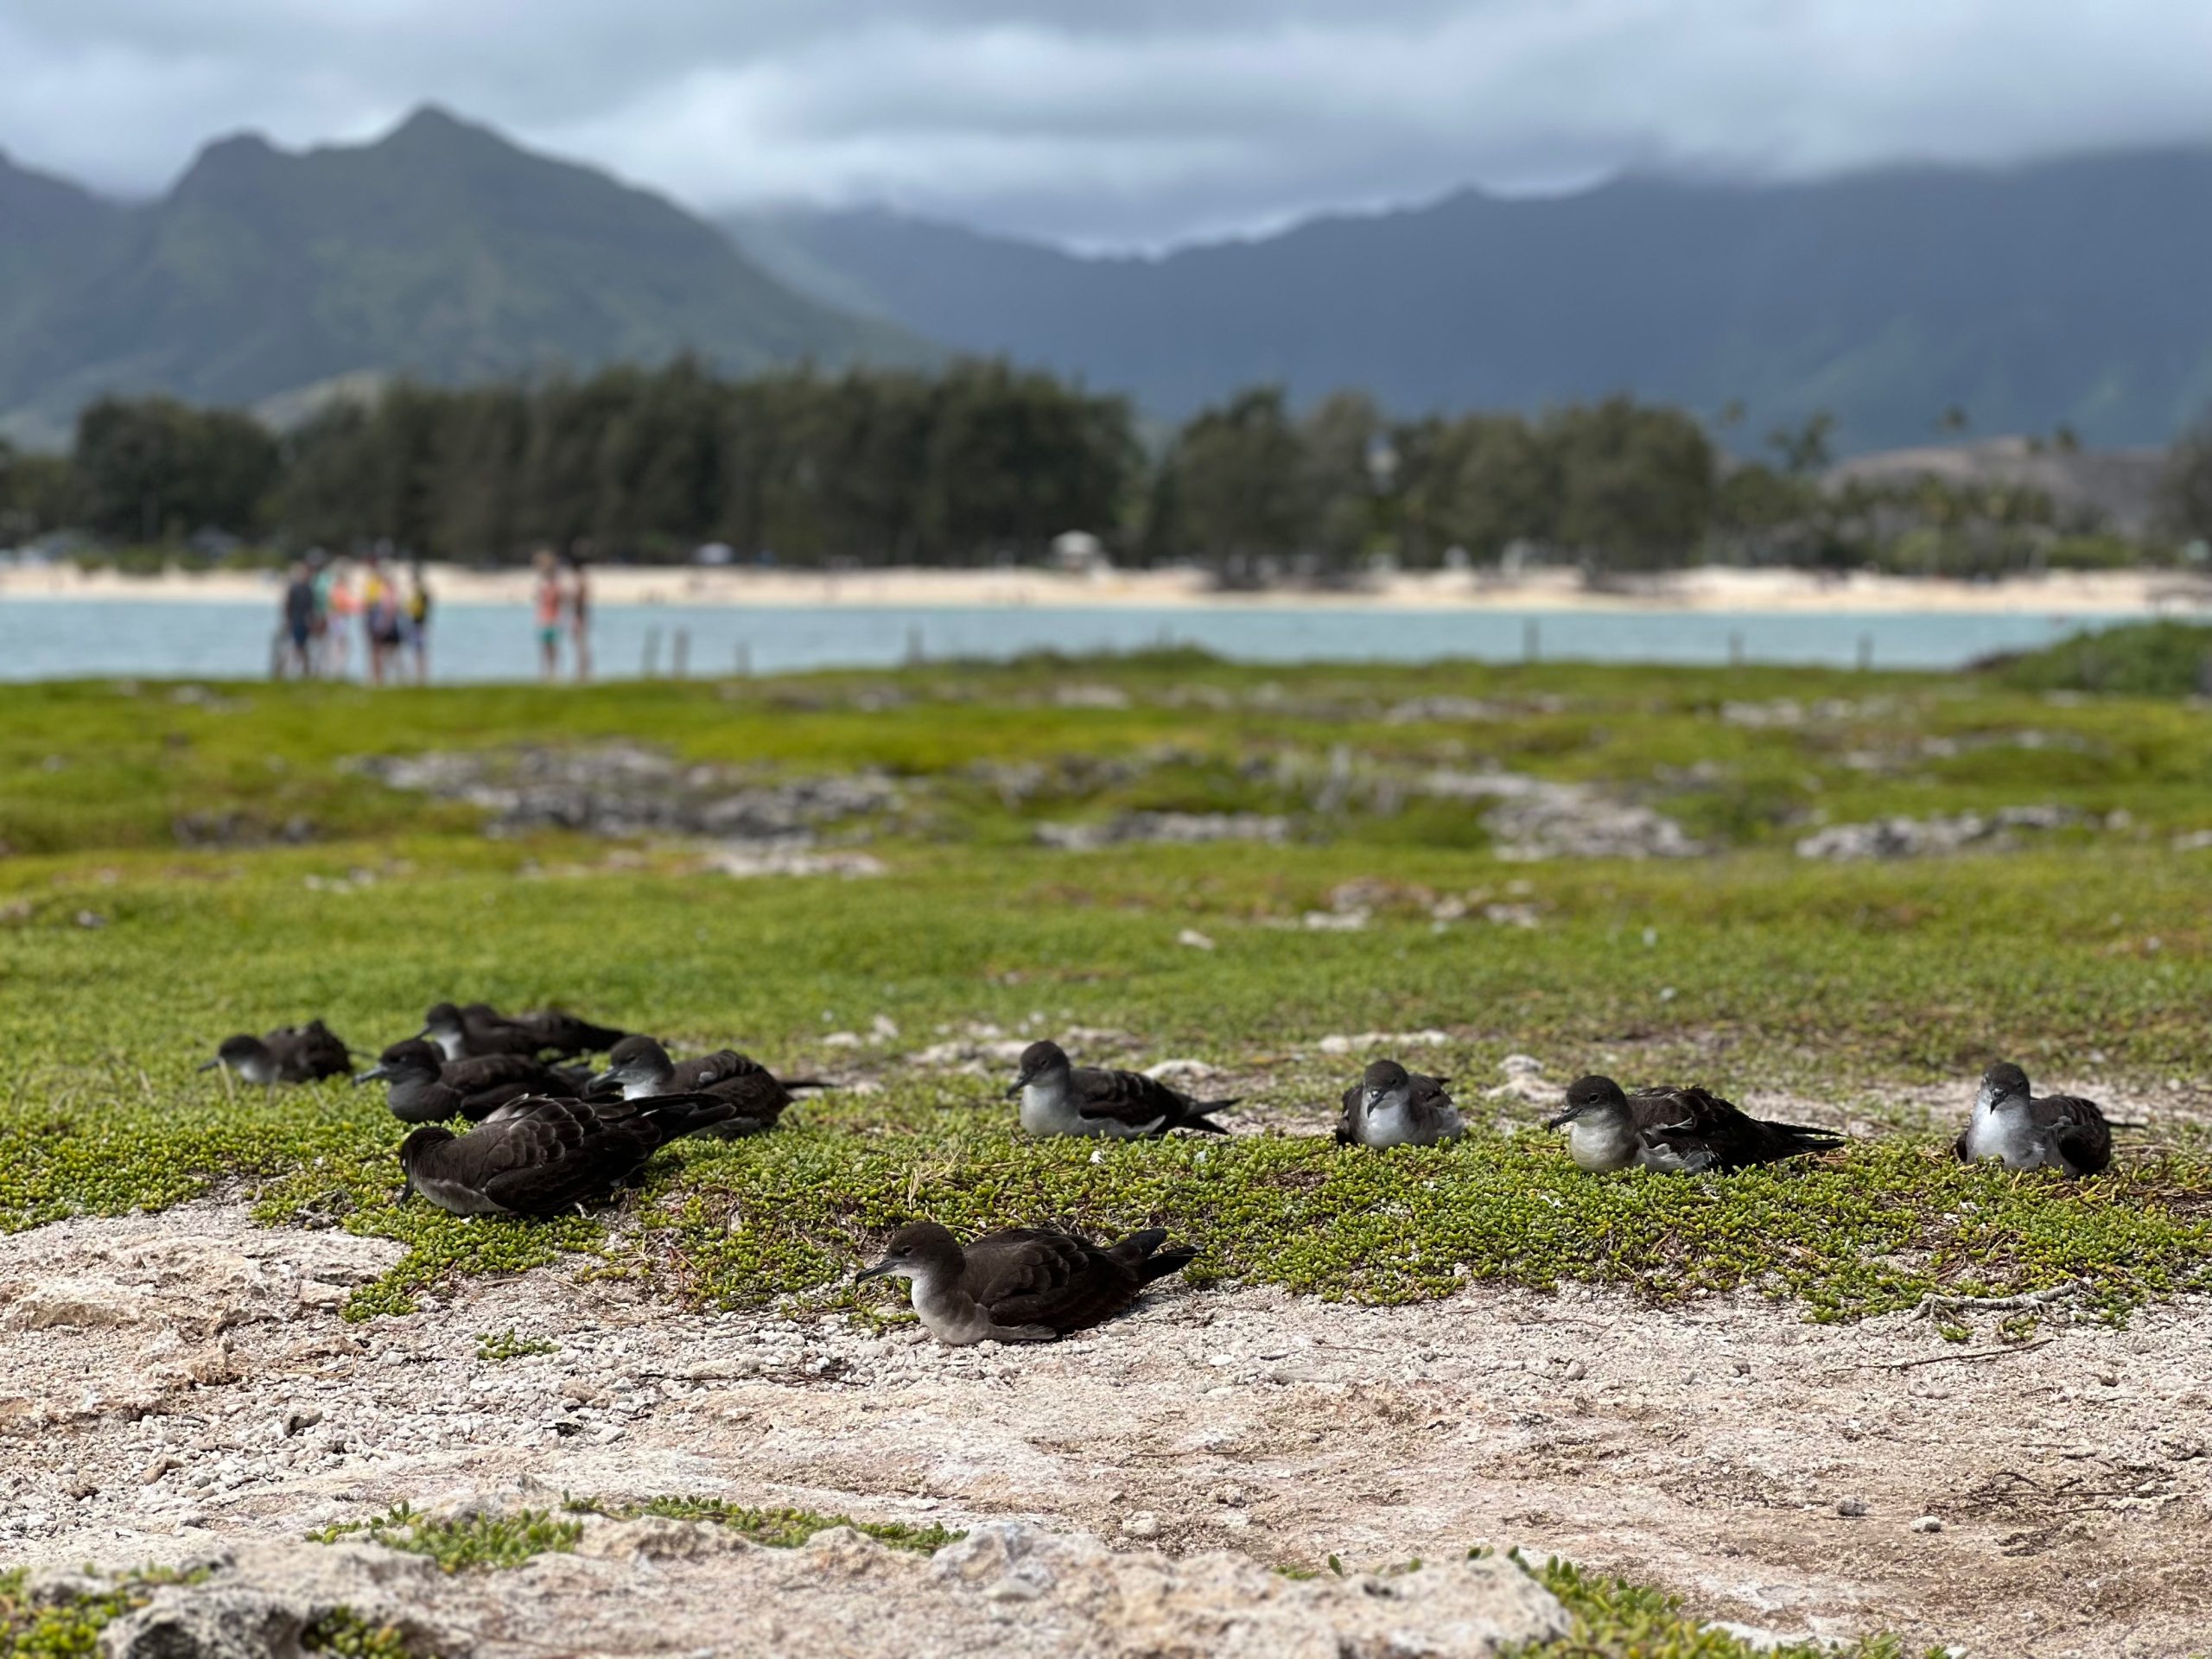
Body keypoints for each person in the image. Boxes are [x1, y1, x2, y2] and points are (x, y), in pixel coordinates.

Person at [361, 554, 403, 686]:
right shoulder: (374, 583)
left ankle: (381, 677)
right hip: (376, 618)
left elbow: (391, 607)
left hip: (380, 619)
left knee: (385, 650)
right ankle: (378, 677)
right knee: (378, 650)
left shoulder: (382, 585)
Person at [279, 562, 316, 678]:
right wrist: (288, 621)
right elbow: (288, 606)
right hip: (296, 620)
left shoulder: (308, 589)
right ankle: (287, 671)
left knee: (302, 646)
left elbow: (311, 608)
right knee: (295, 646)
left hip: (303, 621)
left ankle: (304, 671)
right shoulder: (295, 589)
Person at [533, 550, 563, 681]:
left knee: (551, 649)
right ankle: (546, 673)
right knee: (546, 649)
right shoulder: (545, 585)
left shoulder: (553, 586)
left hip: (552, 619)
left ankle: (551, 672)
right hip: (545, 619)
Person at [323, 562, 357, 679]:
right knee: (339, 645)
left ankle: (337, 670)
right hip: (339, 619)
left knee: (338, 645)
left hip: (337, 619)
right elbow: (347, 604)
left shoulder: (334, 590)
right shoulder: (339, 590)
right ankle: (337, 670)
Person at [564, 554, 593, 683]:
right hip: (580, 615)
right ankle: (581, 671)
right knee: (580, 645)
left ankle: (582, 672)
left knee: (580, 645)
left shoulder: (580, 580)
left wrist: (568, 598)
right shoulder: (582, 579)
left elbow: (579, 599)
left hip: (579, 615)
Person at [405, 563, 433, 685]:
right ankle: (420, 675)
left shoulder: (420, 593)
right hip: (418, 624)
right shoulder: (421, 593)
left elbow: (417, 609)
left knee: (419, 651)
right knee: (418, 651)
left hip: (419, 624)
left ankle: (421, 676)